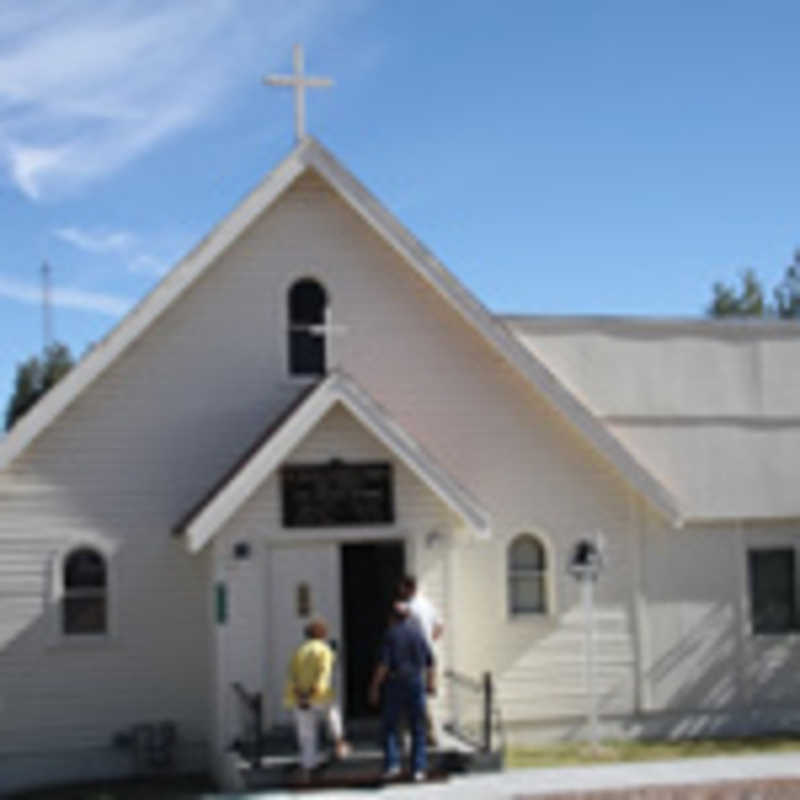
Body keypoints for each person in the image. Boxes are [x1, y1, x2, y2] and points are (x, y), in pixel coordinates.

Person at [368, 600, 435, 782]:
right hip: (415, 681)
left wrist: (374, 687)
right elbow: (430, 661)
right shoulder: (418, 634)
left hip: (395, 682)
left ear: (392, 617)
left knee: (390, 725)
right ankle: (418, 769)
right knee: (417, 727)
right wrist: (430, 683)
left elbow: (383, 664)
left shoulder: (390, 635)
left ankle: (392, 765)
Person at [284, 617, 350, 782]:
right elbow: (323, 674)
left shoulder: (299, 651)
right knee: (333, 714)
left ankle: (308, 766)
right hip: (319, 695)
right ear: (322, 634)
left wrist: (301, 694)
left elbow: (292, 674)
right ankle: (339, 741)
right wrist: (313, 691)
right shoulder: (324, 650)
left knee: (306, 733)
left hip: (299, 696)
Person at [398, 574, 443, 745]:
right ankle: (428, 735)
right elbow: (439, 626)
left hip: (412, 657)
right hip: (428, 654)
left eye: (402, 587)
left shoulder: (408, 608)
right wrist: (429, 640)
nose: (400, 591)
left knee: (408, 695)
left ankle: (409, 736)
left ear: (408, 588)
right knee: (423, 696)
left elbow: (405, 629)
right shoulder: (427, 605)